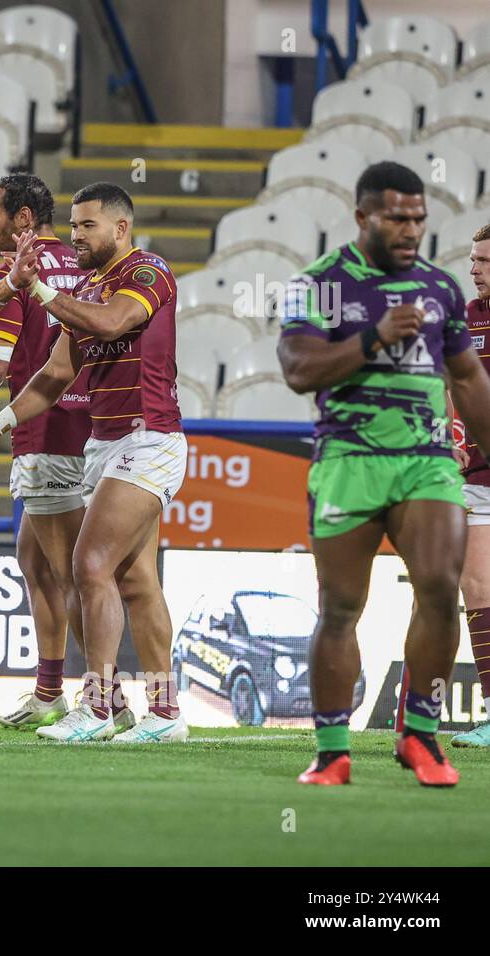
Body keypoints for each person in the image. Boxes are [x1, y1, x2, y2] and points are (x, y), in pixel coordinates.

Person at [278, 163, 490, 786]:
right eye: (398, 217)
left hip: (427, 461)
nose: (410, 229)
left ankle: (420, 736)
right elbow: (298, 369)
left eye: (419, 218)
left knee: (439, 589)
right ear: (362, 216)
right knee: (341, 608)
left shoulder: (441, 288)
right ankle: (333, 750)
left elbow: (471, 379)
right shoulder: (317, 284)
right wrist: (373, 338)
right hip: (349, 460)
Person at [0, 182, 188, 744]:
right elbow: (54, 376)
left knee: (88, 565)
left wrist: (38, 290)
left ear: (121, 228)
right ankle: (165, 713)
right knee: (137, 582)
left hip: (149, 438)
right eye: (72, 226)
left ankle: (97, 705)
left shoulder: (148, 272)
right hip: (105, 443)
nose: (76, 236)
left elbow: (113, 323)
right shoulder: (90, 285)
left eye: (87, 226)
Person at [0, 173, 89, 728]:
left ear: (22, 219)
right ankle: (48, 693)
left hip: (46, 435)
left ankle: (101, 697)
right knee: (35, 560)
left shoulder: (16, 273)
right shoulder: (84, 263)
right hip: (93, 429)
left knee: (70, 575)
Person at [452, 224, 490, 747]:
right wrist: (451, 435)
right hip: (479, 475)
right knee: (477, 585)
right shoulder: (469, 317)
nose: (474, 267)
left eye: (484, 261)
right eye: (474, 259)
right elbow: (447, 382)